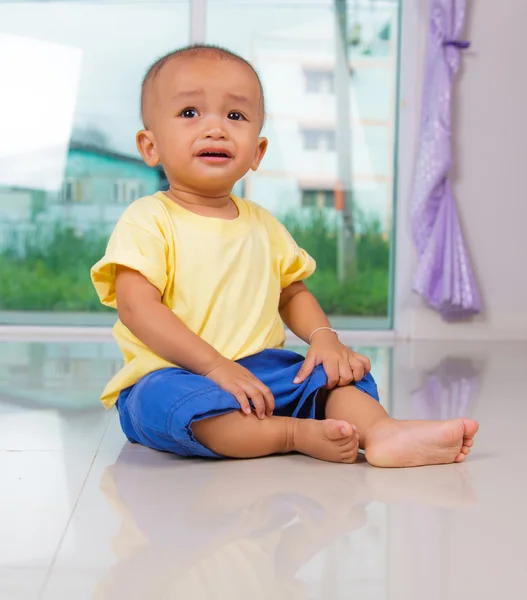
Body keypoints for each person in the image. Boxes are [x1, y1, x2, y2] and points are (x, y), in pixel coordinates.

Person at [91, 44, 478, 467]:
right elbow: (136, 307)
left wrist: (324, 339)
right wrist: (215, 366)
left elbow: (292, 294)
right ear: (150, 147)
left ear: (257, 152)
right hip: (173, 373)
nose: (216, 129)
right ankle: (293, 432)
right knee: (165, 402)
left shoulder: (264, 225)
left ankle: (380, 432)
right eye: (190, 113)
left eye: (235, 116)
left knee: (336, 375)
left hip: (261, 372)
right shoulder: (149, 218)